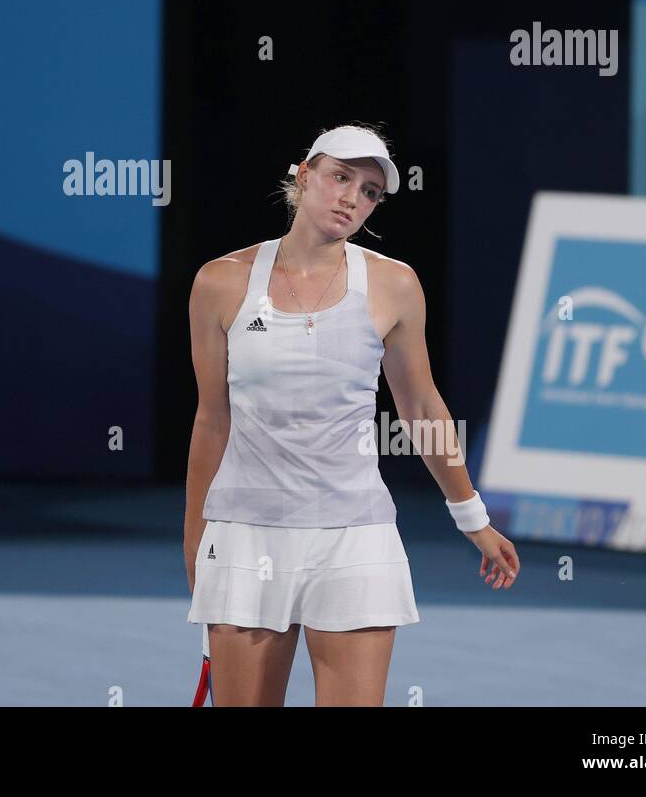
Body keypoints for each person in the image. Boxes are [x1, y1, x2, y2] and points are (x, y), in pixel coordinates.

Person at [184, 123, 520, 706]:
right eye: (341, 177)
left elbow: (420, 407)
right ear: (303, 174)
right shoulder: (220, 282)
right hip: (245, 538)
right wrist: (197, 549)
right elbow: (213, 420)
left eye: (368, 191)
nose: (351, 199)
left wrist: (473, 518)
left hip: (356, 537)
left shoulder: (395, 285)